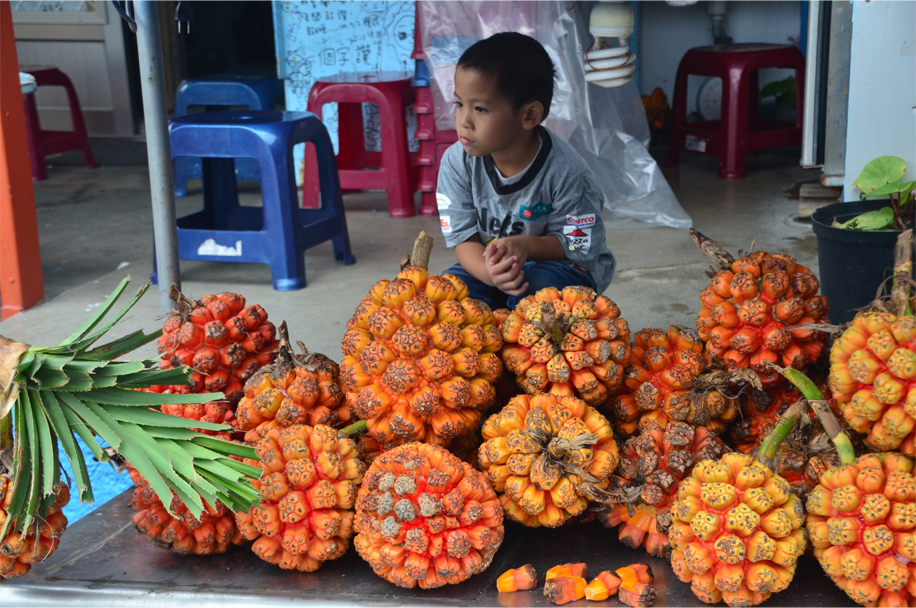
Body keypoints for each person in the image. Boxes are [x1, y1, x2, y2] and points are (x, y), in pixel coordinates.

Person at [436, 31, 616, 310]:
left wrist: (527, 246)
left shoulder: (569, 173)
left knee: (534, 293)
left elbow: (579, 247)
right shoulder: (456, 162)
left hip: (563, 267)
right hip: (491, 264)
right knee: (446, 299)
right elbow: (464, 239)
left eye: (480, 109)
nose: (464, 121)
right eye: (459, 104)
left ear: (529, 115)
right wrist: (490, 275)